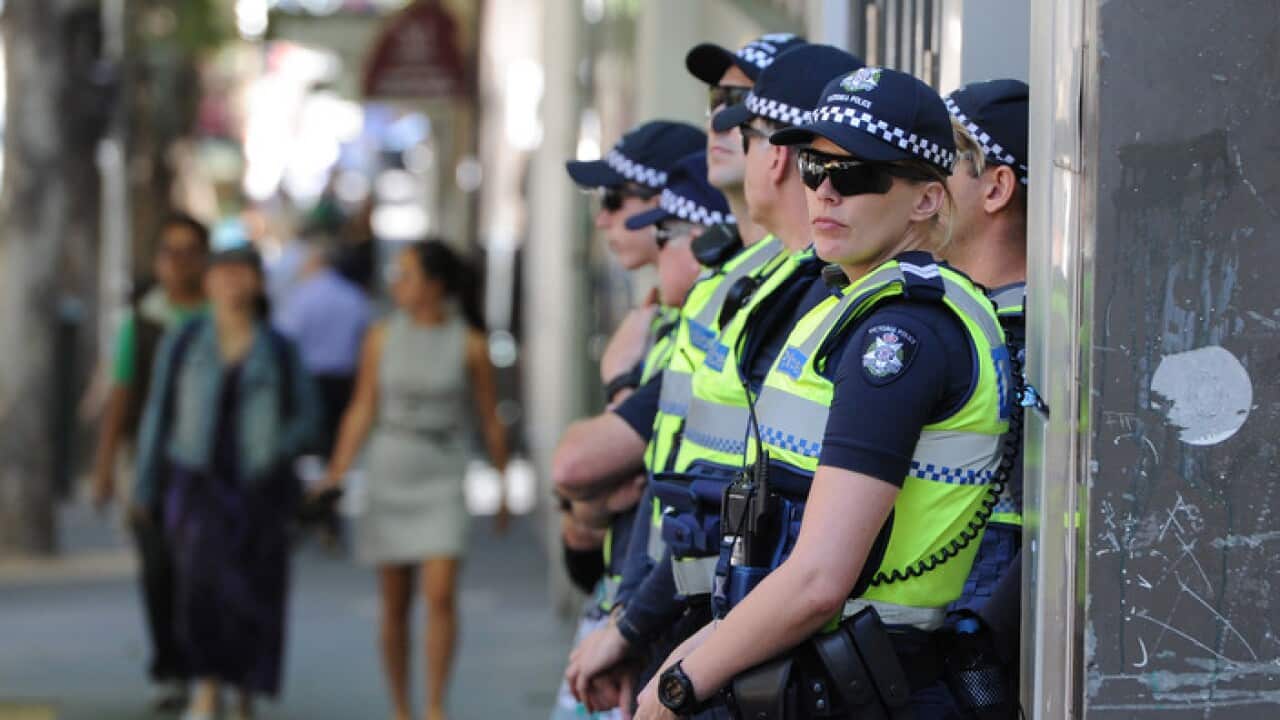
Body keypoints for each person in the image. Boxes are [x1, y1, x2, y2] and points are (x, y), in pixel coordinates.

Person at [635, 67, 1013, 720]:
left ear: (926, 199)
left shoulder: (901, 333)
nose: (825, 192)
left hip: (863, 684)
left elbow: (817, 582)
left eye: (857, 175)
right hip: (827, 673)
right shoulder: (858, 303)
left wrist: (679, 687)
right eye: (814, 166)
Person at [562, 44, 864, 717]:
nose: (720, 130)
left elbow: (761, 523)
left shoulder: (825, 298)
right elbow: (698, 494)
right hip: (706, 624)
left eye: (740, 118)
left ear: (777, 154)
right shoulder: (761, 284)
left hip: (744, 640)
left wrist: (653, 645)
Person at [319, 240, 511, 720]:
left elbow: (490, 418)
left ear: (434, 284)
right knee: (394, 602)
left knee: (441, 593)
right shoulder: (381, 336)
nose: (396, 283)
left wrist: (502, 482)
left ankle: (434, 705)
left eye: (406, 274)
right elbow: (363, 406)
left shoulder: (469, 343)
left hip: (443, 469)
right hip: (390, 467)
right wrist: (337, 470)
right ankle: (401, 706)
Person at [552, 120, 705, 720]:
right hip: (623, 602)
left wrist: (619, 382)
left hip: (654, 622)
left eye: (617, 200)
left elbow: (575, 464)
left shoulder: (692, 331)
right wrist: (584, 502)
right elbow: (582, 527)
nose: (604, 219)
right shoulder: (654, 322)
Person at [133, 233, 322, 720]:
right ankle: (207, 687)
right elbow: (158, 413)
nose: (232, 282)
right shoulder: (185, 341)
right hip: (196, 482)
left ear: (259, 283)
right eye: (223, 272)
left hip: (259, 488)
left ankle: (244, 690)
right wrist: (145, 485)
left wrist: (279, 448)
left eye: (243, 273)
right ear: (209, 280)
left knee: (255, 594)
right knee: (199, 591)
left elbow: (309, 417)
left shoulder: (278, 348)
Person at [90, 212, 209, 712]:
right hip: (151, 464)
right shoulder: (140, 323)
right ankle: (169, 668)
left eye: (187, 252)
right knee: (159, 567)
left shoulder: (220, 315)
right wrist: (104, 467)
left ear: (203, 258)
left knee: (201, 569)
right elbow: (121, 396)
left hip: (208, 467)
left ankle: (205, 667)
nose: (177, 263)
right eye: (168, 252)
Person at [939, 79, 1030, 715]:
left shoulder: (1049, 341)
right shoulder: (947, 314)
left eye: (936, 161)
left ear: (995, 187)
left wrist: (979, 639)